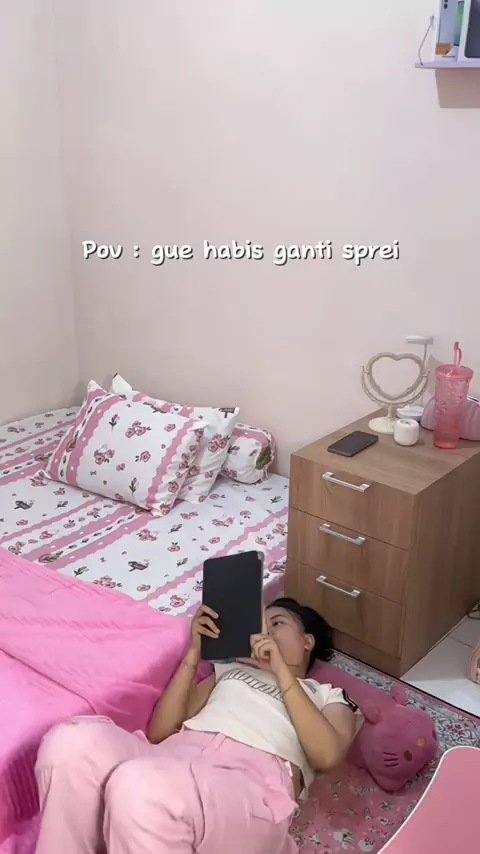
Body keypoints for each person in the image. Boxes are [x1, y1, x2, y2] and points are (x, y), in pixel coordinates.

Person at [34, 596, 360, 854]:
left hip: (248, 790)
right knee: (70, 745)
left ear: (307, 642)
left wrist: (281, 672)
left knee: (142, 787)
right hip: (172, 762)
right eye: (261, 624)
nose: (266, 632)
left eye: (277, 623)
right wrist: (194, 652)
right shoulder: (230, 672)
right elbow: (160, 732)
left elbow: (328, 755)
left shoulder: (326, 695)